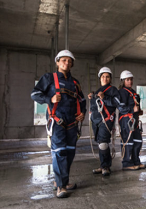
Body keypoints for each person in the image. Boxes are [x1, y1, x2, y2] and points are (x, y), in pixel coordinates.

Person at [31, 50, 86, 198]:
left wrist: (82, 113)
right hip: (57, 121)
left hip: (72, 123)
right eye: (63, 60)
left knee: (70, 152)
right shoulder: (49, 78)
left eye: (69, 61)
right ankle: (61, 186)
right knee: (60, 152)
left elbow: (81, 100)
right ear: (57, 62)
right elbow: (35, 94)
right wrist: (50, 99)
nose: (66, 63)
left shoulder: (75, 83)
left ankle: (62, 180)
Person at [88, 67, 121, 177]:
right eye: (103, 77)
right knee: (101, 143)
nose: (105, 78)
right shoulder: (97, 91)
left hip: (106, 120)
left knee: (103, 143)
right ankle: (103, 165)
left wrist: (105, 97)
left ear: (110, 78)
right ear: (100, 78)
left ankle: (106, 166)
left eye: (107, 77)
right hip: (96, 121)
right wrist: (92, 97)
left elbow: (117, 103)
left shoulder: (113, 90)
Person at [118, 70, 146, 170]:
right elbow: (120, 108)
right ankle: (126, 163)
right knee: (128, 141)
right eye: (127, 80)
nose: (130, 81)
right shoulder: (122, 92)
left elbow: (135, 106)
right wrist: (131, 110)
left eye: (131, 79)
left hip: (134, 120)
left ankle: (136, 161)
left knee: (137, 140)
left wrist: (139, 111)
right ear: (123, 81)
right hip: (126, 121)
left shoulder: (133, 92)